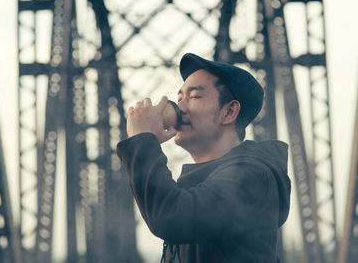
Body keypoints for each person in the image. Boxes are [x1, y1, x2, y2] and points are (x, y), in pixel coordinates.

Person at [116, 53, 291, 263]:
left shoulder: (251, 175)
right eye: (179, 97)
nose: (179, 107)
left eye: (195, 96)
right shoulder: (200, 184)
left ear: (229, 112)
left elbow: (171, 218)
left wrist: (142, 142)